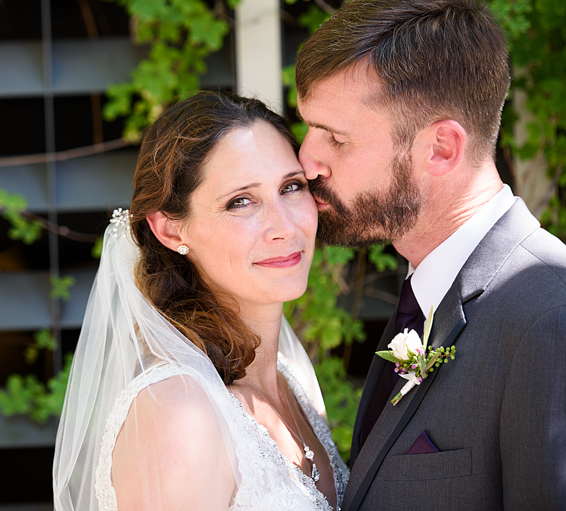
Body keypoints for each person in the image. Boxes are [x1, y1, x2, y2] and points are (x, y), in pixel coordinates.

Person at [295, 0, 566, 510]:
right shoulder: (425, 297)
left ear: (441, 148)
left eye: (336, 138)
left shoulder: (550, 317)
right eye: (310, 129)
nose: (307, 162)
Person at [53, 91, 349, 511]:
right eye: (240, 201)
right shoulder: (179, 411)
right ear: (172, 231)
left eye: (291, 187)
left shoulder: (291, 379)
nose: (284, 227)